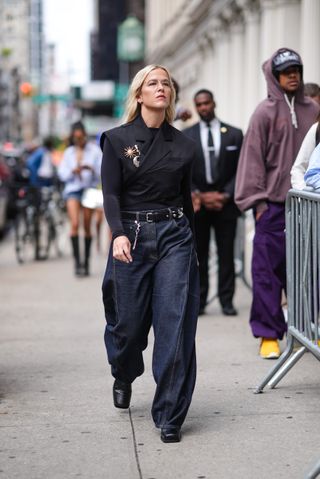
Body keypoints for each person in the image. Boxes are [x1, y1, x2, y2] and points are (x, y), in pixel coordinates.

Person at [100, 64, 199, 443]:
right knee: (127, 326)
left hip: (175, 236)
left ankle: (170, 414)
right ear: (139, 94)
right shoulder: (116, 139)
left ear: (171, 94)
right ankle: (124, 370)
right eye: (152, 83)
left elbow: (186, 202)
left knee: (175, 325)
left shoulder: (185, 146)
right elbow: (111, 194)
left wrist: (195, 254)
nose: (161, 88)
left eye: (166, 83)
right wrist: (118, 235)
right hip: (133, 236)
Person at [235, 48, 319, 359]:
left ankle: (307, 330)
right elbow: (252, 160)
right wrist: (257, 205)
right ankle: (269, 335)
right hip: (272, 207)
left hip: (309, 206)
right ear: (274, 75)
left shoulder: (313, 110)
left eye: (297, 69)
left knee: (309, 271)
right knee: (267, 273)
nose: (293, 75)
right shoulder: (263, 113)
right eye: (286, 71)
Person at [184, 89, 243, 316]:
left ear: (214, 103)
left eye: (206, 103)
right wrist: (198, 194)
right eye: (199, 105)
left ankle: (226, 300)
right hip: (198, 205)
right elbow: (183, 171)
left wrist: (225, 195)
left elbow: (242, 168)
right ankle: (199, 301)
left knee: (226, 253)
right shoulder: (186, 136)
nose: (203, 108)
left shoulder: (234, 134)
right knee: (199, 254)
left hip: (225, 203)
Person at [58, 121, 102, 277]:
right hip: (73, 190)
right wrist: (73, 171)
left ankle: (86, 262)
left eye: (80, 137)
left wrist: (91, 168)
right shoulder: (69, 152)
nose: (79, 140)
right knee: (75, 224)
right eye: (75, 138)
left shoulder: (95, 151)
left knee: (87, 227)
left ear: (84, 135)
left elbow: (102, 172)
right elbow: (62, 174)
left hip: (89, 189)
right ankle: (77, 263)